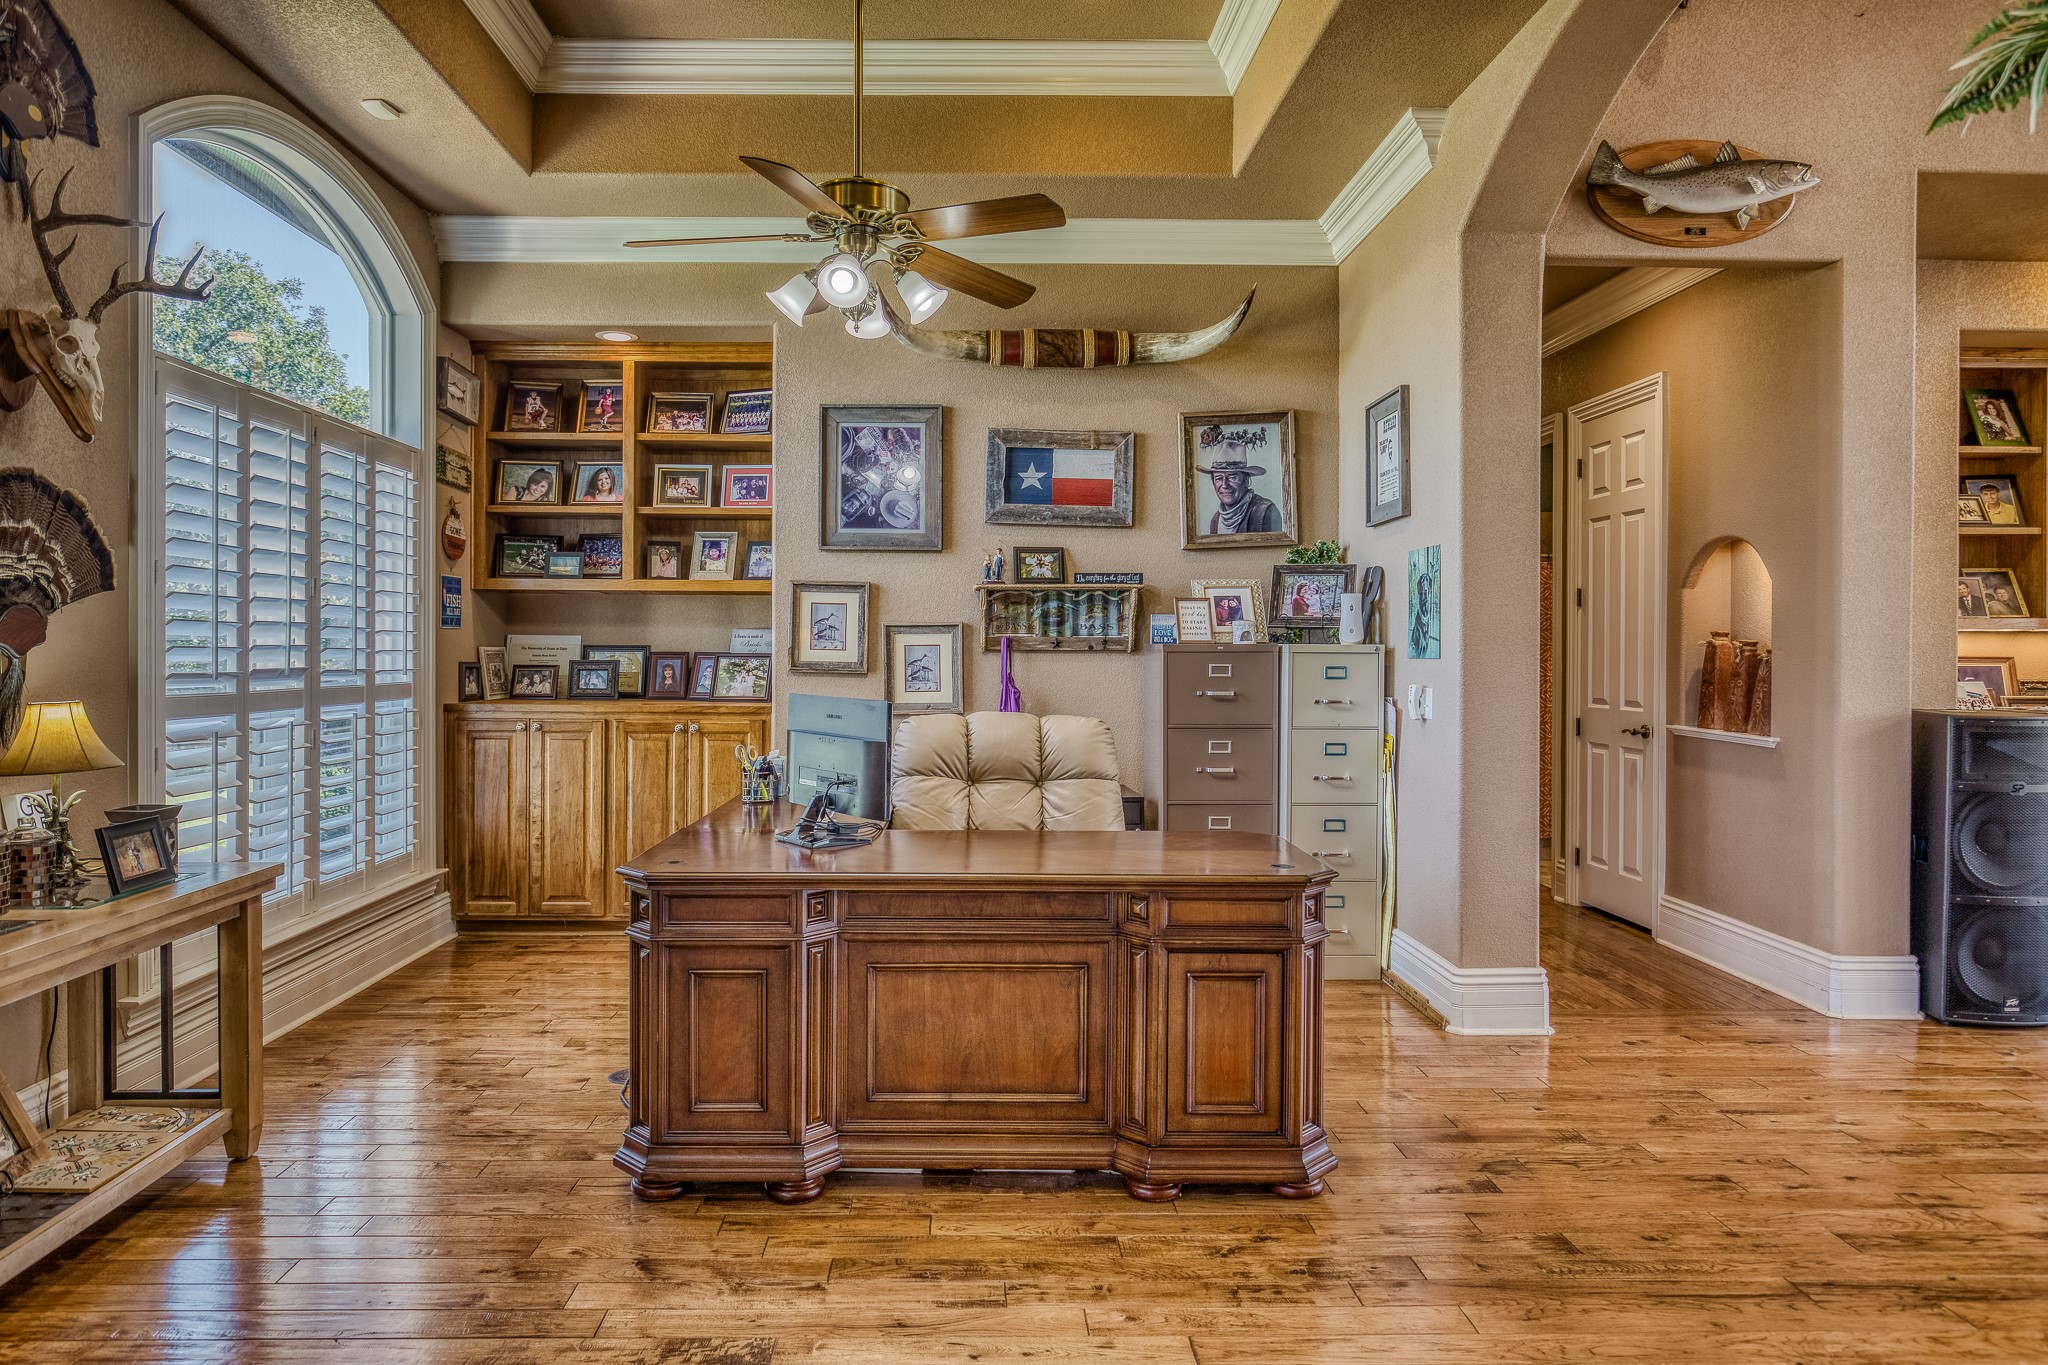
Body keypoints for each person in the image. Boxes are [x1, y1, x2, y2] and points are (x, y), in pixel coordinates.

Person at [1197, 444, 1281, 535]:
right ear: (1213, 482)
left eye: (1232, 477)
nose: (1225, 485)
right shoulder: (1216, 520)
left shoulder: (1265, 512)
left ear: (1246, 481)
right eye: (1218, 478)